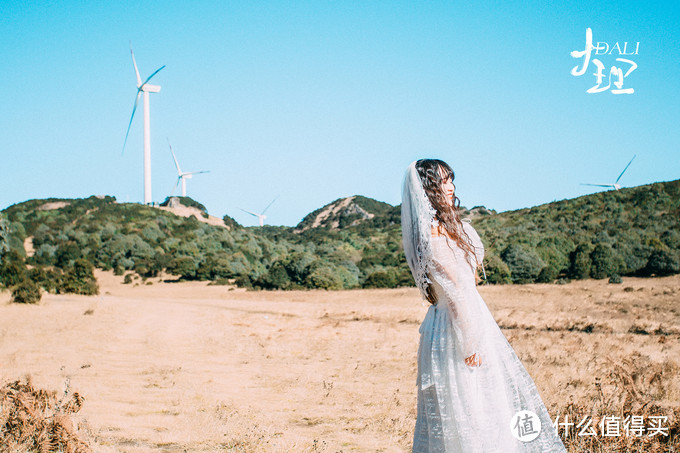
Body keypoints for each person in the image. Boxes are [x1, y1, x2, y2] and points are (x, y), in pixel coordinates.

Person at [401, 159, 567, 452]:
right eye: (442, 181)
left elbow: (467, 285)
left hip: (457, 322)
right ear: (427, 189)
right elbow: (458, 292)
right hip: (459, 326)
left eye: (451, 179)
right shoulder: (435, 235)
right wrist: (471, 342)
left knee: (474, 406)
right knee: (471, 407)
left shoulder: (447, 230)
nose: (450, 187)